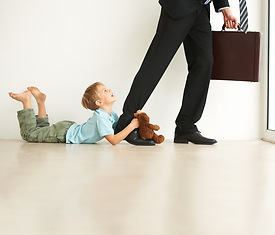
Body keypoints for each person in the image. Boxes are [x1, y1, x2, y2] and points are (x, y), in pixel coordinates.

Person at [114, 0, 238, 146]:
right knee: (157, 62)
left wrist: (224, 8)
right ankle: (126, 123)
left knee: (204, 62)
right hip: (180, 5)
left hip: (202, 9)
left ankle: (186, 127)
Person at [8, 82, 148, 145]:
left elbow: (118, 131)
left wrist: (135, 118)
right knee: (30, 134)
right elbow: (113, 140)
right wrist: (132, 126)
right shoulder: (101, 117)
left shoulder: (111, 116)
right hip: (65, 133)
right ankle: (27, 101)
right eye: (105, 90)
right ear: (99, 103)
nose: (110, 90)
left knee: (41, 130)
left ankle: (40, 101)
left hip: (68, 129)